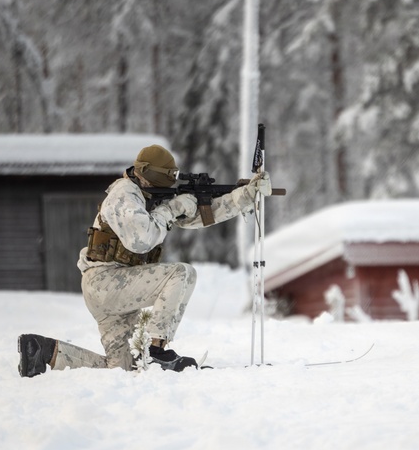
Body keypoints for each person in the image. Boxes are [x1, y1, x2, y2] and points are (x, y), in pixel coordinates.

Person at [19, 144, 271, 375]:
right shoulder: (124, 195)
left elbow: (197, 216)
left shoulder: (146, 193)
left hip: (114, 288)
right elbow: (142, 239)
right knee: (181, 274)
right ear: (147, 172)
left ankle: (44, 352)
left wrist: (245, 196)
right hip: (107, 282)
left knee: (124, 369)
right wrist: (171, 209)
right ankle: (158, 351)